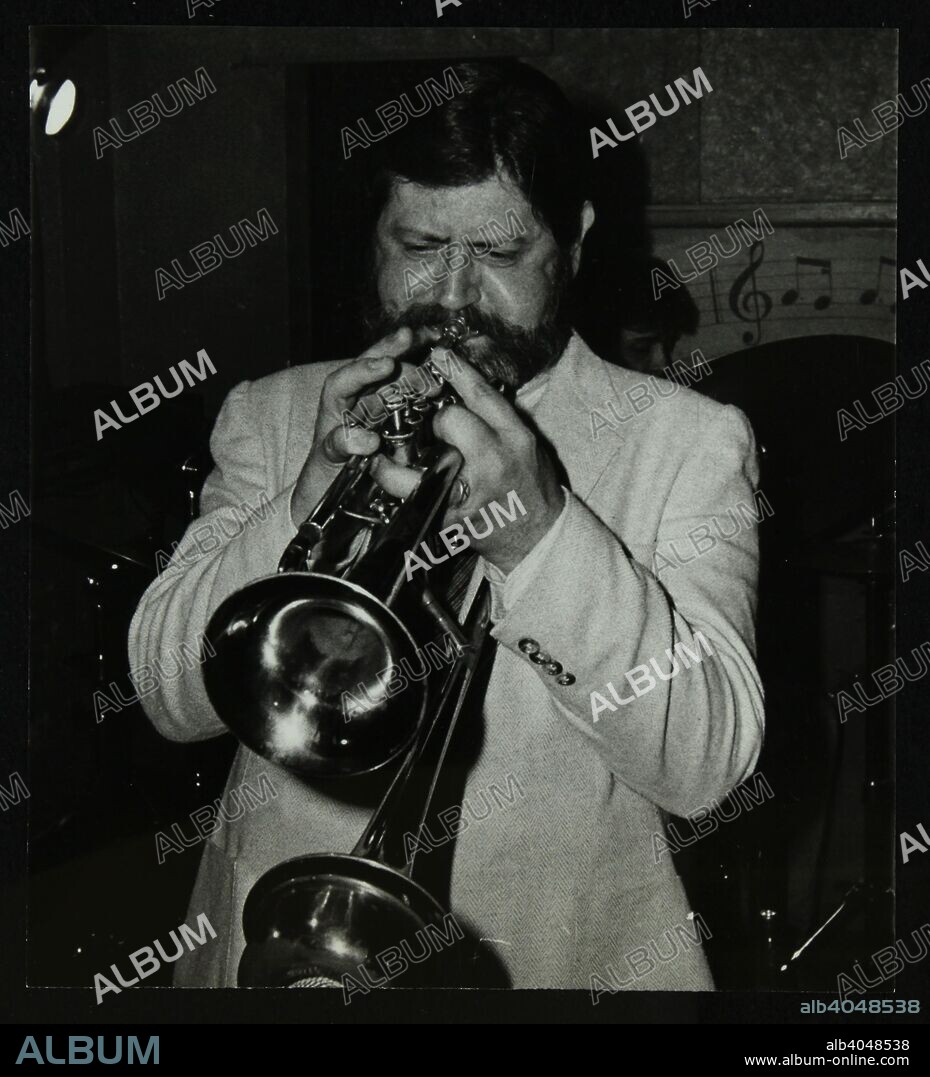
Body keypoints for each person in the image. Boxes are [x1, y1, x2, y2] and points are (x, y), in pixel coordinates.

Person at [129, 59, 764, 991]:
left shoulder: (687, 440)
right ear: (375, 237)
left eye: (502, 256)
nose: (456, 296)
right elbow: (165, 694)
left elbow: (708, 766)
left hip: (555, 953)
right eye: (420, 244)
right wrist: (300, 506)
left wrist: (541, 533)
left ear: (576, 240)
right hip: (282, 951)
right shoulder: (271, 413)